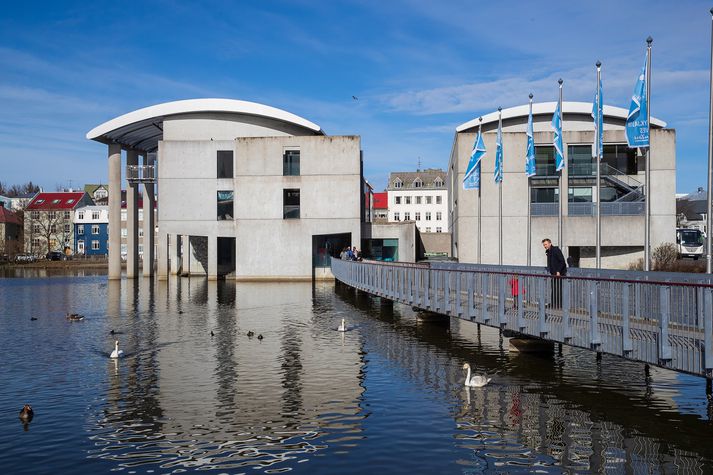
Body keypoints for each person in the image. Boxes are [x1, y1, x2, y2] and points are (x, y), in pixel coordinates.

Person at [542, 238, 567, 308]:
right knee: (554, 288)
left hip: (559, 273)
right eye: (544, 245)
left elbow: (562, 261)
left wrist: (558, 271)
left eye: (546, 244)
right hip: (553, 273)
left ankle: (558, 305)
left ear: (550, 243)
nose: (545, 246)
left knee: (558, 289)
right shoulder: (548, 251)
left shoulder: (555, 250)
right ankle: (553, 303)